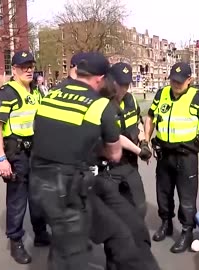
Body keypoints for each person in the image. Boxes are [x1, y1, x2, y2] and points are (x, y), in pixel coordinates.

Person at [28, 52, 124, 270]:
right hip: (67, 188)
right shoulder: (100, 106)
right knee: (75, 251)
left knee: (61, 241)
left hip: (38, 185)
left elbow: (40, 130)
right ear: (99, 79)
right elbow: (115, 154)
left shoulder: (51, 95)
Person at [144, 62, 199, 253]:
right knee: (163, 192)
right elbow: (150, 116)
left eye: (180, 81)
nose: (175, 84)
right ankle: (166, 223)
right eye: (172, 80)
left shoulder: (197, 99)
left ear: (189, 80)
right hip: (164, 154)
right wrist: (146, 141)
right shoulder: (162, 94)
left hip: (186, 156)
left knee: (186, 197)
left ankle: (186, 231)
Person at [0, 51, 50, 264]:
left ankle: (41, 234)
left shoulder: (36, 91)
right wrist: (1, 158)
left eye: (31, 65)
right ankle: (15, 241)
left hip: (35, 153)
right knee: (17, 200)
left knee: (38, 196)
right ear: (14, 69)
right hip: (16, 155)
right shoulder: (8, 92)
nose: (29, 69)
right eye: (23, 66)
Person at [98, 62, 151, 218]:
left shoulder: (131, 100)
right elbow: (115, 137)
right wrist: (140, 151)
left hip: (130, 163)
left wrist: (144, 143)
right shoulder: (102, 103)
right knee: (111, 212)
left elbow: (137, 124)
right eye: (120, 84)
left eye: (127, 84)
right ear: (110, 81)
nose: (124, 88)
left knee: (139, 206)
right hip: (110, 166)